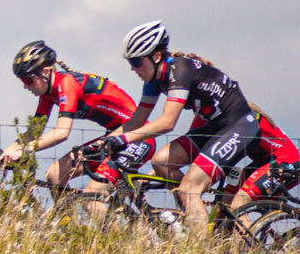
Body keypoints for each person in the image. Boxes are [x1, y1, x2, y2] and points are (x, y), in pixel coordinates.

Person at [107, 22, 283, 237]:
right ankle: (194, 217)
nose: (133, 68)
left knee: (189, 190)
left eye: (136, 61)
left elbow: (167, 122)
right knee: (162, 161)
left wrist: (123, 141)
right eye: (130, 63)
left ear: (156, 56)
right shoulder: (154, 80)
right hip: (216, 127)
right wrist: (101, 143)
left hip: (239, 125)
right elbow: (136, 122)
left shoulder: (180, 70)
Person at [0, 40, 139, 209]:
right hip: (114, 135)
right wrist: (1, 156)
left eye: (28, 79)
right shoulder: (48, 94)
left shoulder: (67, 83)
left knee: (90, 199)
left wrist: (23, 151)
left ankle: (110, 235)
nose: (25, 86)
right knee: (55, 175)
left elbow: (62, 132)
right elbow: (34, 132)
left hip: (136, 135)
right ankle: (69, 228)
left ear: (46, 72)